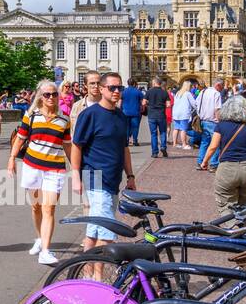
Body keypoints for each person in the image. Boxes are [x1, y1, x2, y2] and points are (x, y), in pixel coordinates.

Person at [7, 80, 76, 266]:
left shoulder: (64, 120)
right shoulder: (31, 116)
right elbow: (20, 139)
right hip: (33, 165)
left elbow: (68, 147)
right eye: (47, 94)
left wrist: (76, 170)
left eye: (54, 94)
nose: (51, 97)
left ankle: (45, 250)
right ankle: (39, 238)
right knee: (36, 207)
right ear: (41, 97)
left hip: (55, 168)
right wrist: (12, 159)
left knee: (49, 208)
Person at [70, 73, 137, 252]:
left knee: (93, 231)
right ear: (101, 89)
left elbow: (124, 148)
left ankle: (87, 274)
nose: (116, 91)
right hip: (95, 177)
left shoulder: (121, 116)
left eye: (119, 88)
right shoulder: (89, 115)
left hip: (113, 179)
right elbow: (77, 146)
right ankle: (99, 278)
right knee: (107, 231)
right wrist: (75, 175)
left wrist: (130, 175)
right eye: (112, 88)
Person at [201, 95, 246, 212]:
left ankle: (232, 227)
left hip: (227, 168)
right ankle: (241, 228)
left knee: (225, 204)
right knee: (245, 205)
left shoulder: (221, 126)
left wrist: (205, 161)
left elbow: (213, 147)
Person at [196, 78, 224, 171]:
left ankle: (200, 162)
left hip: (203, 120)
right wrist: (220, 121)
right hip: (213, 122)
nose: (222, 89)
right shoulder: (216, 94)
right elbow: (217, 109)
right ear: (218, 85)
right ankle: (214, 164)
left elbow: (196, 104)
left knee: (204, 142)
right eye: (222, 86)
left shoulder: (203, 91)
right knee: (216, 144)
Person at [144, 77, 169, 158]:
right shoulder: (164, 92)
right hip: (161, 115)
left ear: (154, 83)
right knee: (163, 132)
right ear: (160, 83)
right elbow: (168, 105)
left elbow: (143, 103)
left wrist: (149, 103)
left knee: (153, 134)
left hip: (151, 115)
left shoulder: (148, 92)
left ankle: (154, 152)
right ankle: (163, 147)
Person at [172, 78, 197, 155]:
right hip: (183, 113)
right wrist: (197, 108)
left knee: (176, 128)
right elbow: (194, 103)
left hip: (176, 113)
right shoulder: (187, 94)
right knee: (183, 129)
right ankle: (184, 144)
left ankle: (174, 143)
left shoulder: (178, 93)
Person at [121, 79, 145, 147]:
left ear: (127, 83)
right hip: (135, 112)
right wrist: (143, 108)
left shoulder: (124, 91)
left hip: (125, 112)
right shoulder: (138, 92)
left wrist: (120, 110)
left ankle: (126, 141)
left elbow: (120, 101)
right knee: (135, 127)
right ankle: (135, 140)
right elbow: (142, 101)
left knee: (127, 127)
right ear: (134, 83)